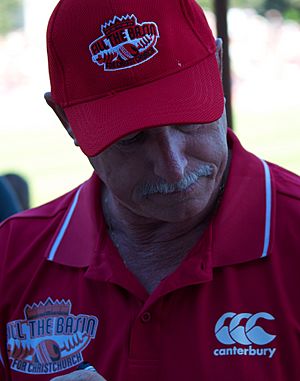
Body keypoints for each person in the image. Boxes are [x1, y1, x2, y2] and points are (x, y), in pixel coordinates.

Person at [0, 0, 299, 380]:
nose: (173, 166)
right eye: (132, 139)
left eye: (188, 119)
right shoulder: (12, 257)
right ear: (66, 120)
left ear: (219, 67)